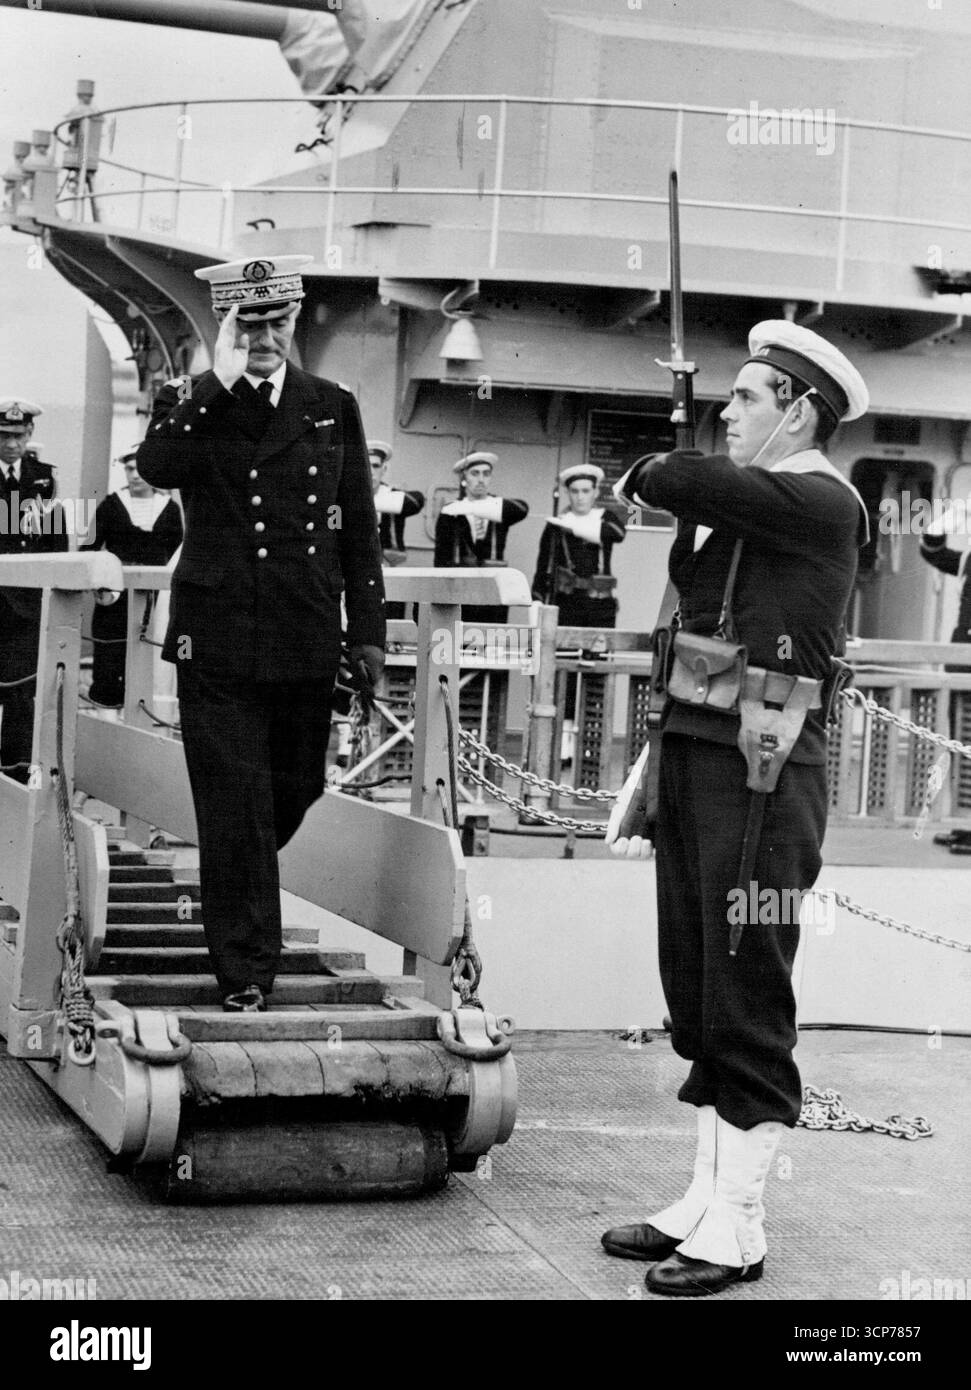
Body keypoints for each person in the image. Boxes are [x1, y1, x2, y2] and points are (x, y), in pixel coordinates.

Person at [602, 321, 870, 1296]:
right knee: (698, 985)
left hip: (765, 770)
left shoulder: (817, 499)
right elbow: (697, 562)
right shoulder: (748, 503)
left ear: (797, 410)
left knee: (746, 989)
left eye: (747, 396)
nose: (726, 408)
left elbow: (689, 481)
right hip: (698, 753)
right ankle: (703, 1197)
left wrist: (657, 463)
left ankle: (740, 1227)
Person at [136, 254, 385, 1013]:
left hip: (304, 631)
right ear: (227, 327)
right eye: (248, 323)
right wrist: (213, 379)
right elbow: (158, 465)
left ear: (293, 322)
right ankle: (246, 970)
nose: (264, 336)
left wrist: (366, 633)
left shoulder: (329, 403)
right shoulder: (191, 400)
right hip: (213, 636)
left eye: (275, 321)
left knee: (293, 787)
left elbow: (358, 526)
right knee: (233, 802)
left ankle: (235, 875)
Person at [532, 463, 627, 761]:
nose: (581, 497)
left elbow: (617, 533)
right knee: (568, 673)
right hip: (569, 605)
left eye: (586, 491)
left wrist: (571, 526)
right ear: (567, 493)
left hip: (600, 606)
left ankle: (591, 737)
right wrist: (538, 600)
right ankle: (566, 740)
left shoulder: (605, 519)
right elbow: (543, 567)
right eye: (574, 491)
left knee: (596, 670)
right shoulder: (555, 524)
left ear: (596, 492)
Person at [0, 397, 68, 783]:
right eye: (5, 436)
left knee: (21, 692)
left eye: (19, 435)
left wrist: (56, 587)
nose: (12, 444)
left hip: (25, 605)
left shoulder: (45, 479)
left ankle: (16, 773)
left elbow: (56, 539)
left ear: (30, 434)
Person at [80, 451, 183, 708]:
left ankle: (144, 717)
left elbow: (177, 553)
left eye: (141, 469)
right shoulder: (112, 504)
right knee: (109, 659)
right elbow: (89, 547)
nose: (135, 475)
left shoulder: (169, 509)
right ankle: (106, 717)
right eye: (129, 469)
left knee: (147, 656)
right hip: (115, 598)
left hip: (154, 600)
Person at [433, 451, 528, 624]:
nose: (481, 479)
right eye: (475, 473)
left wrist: (472, 508)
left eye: (486, 473)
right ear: (464, 478)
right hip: (461, 590)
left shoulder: (498, 509)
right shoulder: (450, 512)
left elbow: (522, 509)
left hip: (493, 591)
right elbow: (440, 558)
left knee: (491, 644)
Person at [369, 439, 424, 619]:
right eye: (365, 464)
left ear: (384, 469)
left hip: (390, 573)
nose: (370, 471)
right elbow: (333, 524)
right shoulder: (340, 500)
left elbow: (417, 501)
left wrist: (368, 504)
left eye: (376, 466)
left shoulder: (393, 496)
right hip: (356, 574)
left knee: (392, 622)